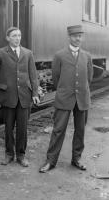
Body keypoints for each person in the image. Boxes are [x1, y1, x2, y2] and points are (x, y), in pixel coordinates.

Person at [0, 27, 40, 167]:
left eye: (19, 35)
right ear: (8, 38)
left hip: (24, 97)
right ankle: (9, 154)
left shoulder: (28, 53)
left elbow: (33, 76)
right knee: (8, 128)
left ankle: (21, 155)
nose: (17, 38)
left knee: (23, 128)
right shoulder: (1, 52)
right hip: (8, 96)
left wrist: (35, 94)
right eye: (14, 36)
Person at [39, 25, 93, 173]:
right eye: (75, 36)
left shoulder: (87, 56)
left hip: (82, 99)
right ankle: (51, 161)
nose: (78, 38)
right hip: (64, 98)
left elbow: (89, 78)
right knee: (58, 130)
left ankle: (77, 159)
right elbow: (56, 78)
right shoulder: (59, 55)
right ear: (69, 37)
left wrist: (81, 91)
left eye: (80, 36)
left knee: (80, 130)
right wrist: (64, 90)